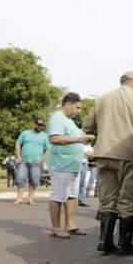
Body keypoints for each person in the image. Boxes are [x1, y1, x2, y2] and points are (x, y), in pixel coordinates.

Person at [83, 71, 133, 255]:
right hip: (130, 154)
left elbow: (87, 126)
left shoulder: (102, 99)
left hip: (104, 154)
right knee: (128, 202)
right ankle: (125, 245)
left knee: (107, 200)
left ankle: (105, 242)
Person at [46, 93, 95, 238]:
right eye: (77, 108)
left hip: (73, 165)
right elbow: (55, 138)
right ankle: (56, 228)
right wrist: (79, 139)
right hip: (61, 165)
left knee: (71, 196)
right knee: (58, 196)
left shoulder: (68, 120)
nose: (78, 111)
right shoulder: (57, 118)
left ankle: (70, 225)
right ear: (68, 104)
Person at [14, 119, 49, 205]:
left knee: (34, 180)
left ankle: (30, 199)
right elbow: (18, 143)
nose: (40, 126)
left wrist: (42, 159)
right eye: (39, 124)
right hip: (23, 160)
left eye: (42, 125)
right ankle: (19, 199)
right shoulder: (25, 133)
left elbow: (48, 149)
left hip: (36, 162)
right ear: (34, 124)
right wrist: (18, 156)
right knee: (20, 178)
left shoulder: (44, 136)